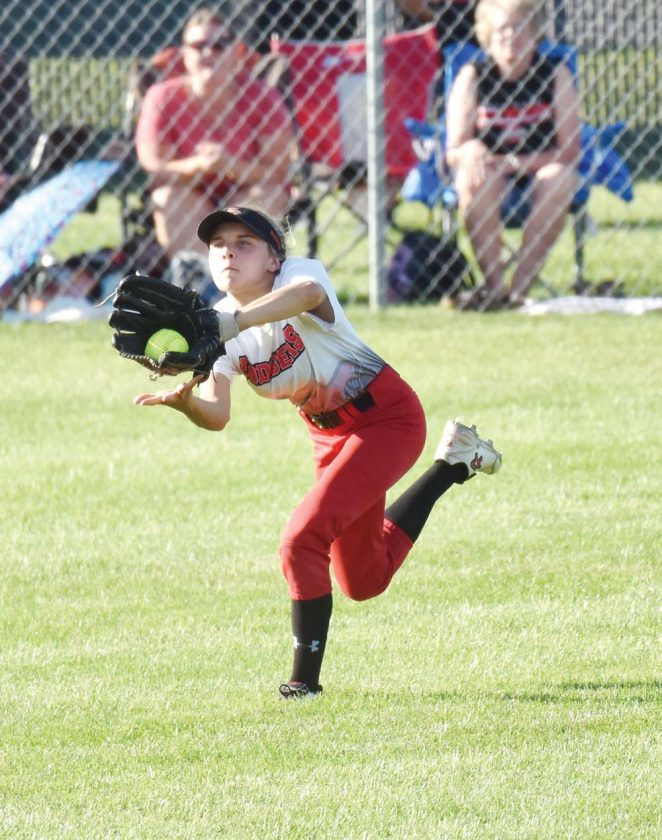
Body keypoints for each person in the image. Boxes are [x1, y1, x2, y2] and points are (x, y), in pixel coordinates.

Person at [132, 205, 502, 698]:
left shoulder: (298, 274)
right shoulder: (215, 323)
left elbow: (307, 297)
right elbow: (217, 415)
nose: (228, 252)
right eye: (219, 244)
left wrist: (231, 324)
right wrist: (186, 405)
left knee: (300, 540)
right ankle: (452, 464)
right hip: (328, 436)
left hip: (386, 418)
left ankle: (302, 686)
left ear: (272, 258)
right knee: (363, 580)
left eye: (245, 243)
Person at [444, 0, 580, 309]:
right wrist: (470, 149)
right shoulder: (473, 75)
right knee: (472, 177)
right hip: (491, 174)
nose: (511, 37)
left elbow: (569, 151)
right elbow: (453, 150)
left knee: (559, 180)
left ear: (533, 32)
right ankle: (495, 290)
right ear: (488, 35)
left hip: (540, 170)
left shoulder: (554, 74)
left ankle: (519, 291)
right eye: (502, 30)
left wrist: (515, 162)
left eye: (519, 28)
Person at [134, 8, 296, 261]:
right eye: (198, 46)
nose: (209, 52)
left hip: (248, 188)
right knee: (167, 197)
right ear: (185, 54)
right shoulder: (162, 96)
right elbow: (155, 166)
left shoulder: (263, 96)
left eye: (220, 45)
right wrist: (198, 165)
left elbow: (277, 170)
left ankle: (245, 279)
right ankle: (202, 285)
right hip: (189, 191)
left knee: (270, 193)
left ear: (235, 53)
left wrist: (229, 165)